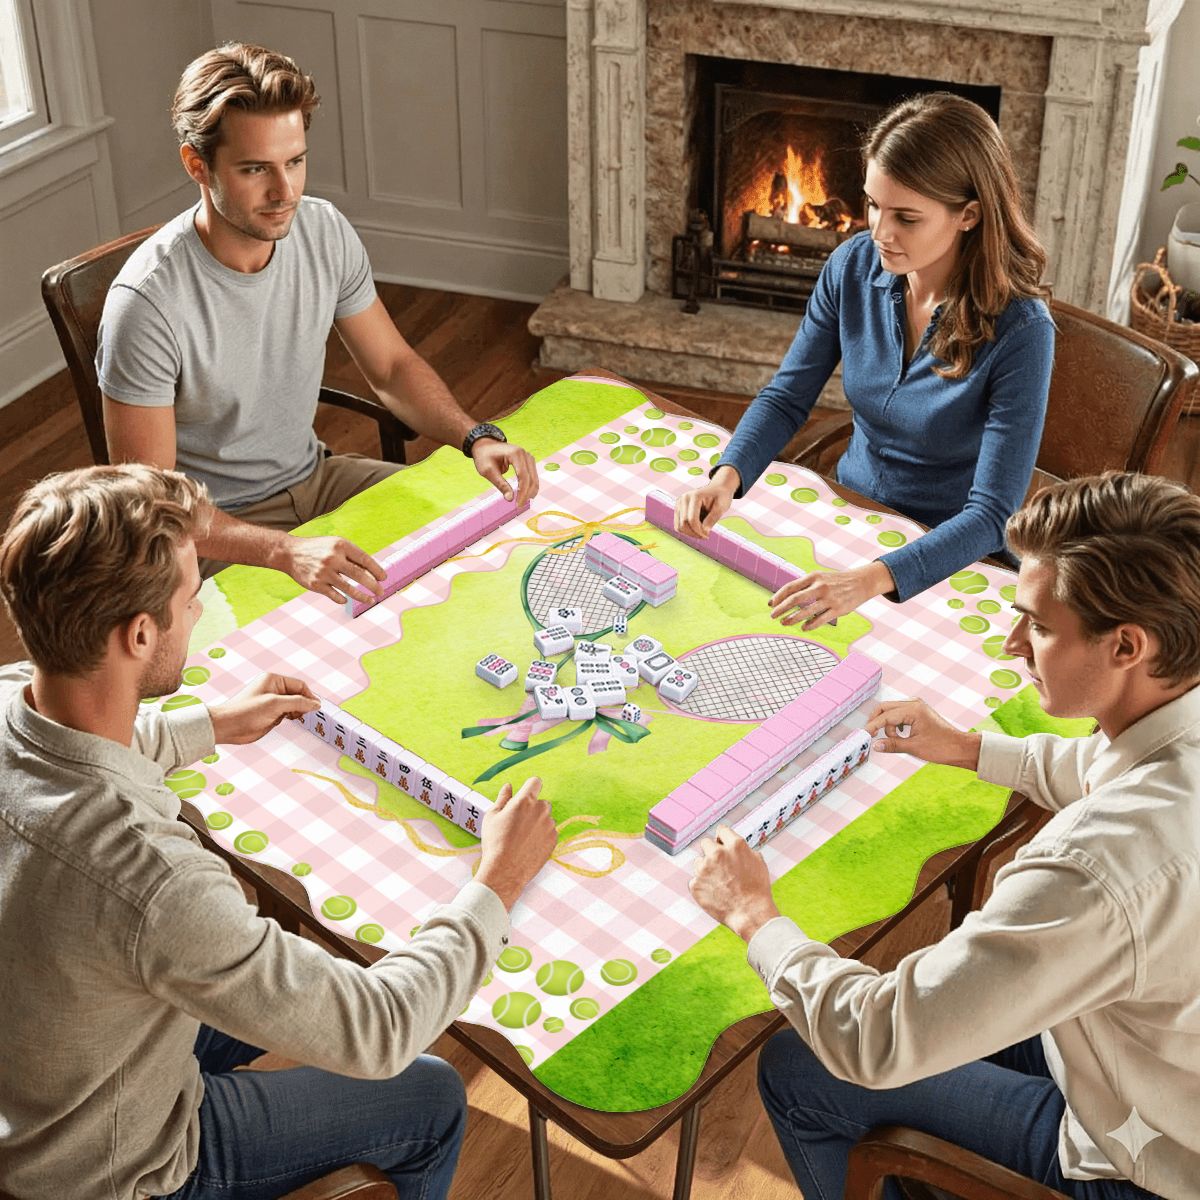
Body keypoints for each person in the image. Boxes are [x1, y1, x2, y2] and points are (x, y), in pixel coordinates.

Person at [0, 464, 557, 1200]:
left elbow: (81, 749)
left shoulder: (12, 694)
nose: (199, 611)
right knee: (431, 1093)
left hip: (42, 1062)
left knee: (299, 957)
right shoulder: (154, 880)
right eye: (191, 600)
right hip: (109, 1166)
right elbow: (381, 1029)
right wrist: (499, 882)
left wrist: (212, 722)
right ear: (139, 634)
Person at [688, 471, 1200, 1199]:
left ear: (1126, 646)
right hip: (1153, 1044)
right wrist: (965, 746)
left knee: (799, 1068)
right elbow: (1113, 771)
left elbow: (874, 1040)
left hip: (1144, 1157)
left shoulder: (1091, 869)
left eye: (1040, 627)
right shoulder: (1175, 720)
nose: (1013, 643)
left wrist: (753, 915)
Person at [96, 42, 539, 605]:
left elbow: (391, 367)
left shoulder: (323, 230)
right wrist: (284, 551)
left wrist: (474, 437)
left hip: (317, 479)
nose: (285, 193)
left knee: (483, 525)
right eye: (255, 169)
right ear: (197, 165)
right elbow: (153, 505)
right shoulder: (145, 305)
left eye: (295, 162)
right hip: (214, 532)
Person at [675, 92, 1055, 631]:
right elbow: (786, 397)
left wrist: (868, 580)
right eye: (873, 204)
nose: (879, 232)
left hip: (947, 552)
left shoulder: (1023, 331)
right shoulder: (852, 266)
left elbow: (992, 516)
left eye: (906, 217)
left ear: (968, 215)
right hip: (849, 510)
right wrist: (726, 476)